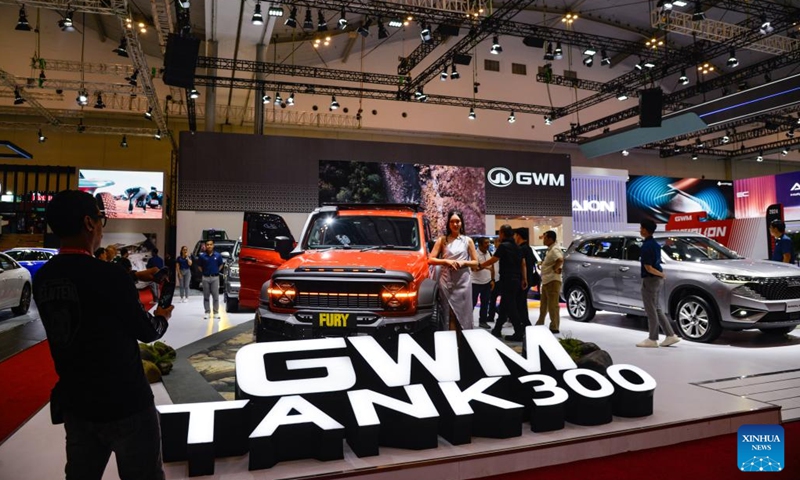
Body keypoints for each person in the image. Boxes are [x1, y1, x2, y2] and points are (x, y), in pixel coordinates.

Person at [32, 190, 172, 480]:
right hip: (127, 404)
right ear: (88, 223)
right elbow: (146, 331)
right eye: (100, 220)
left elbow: (83, 285)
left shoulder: (44, 277)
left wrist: (133, 277)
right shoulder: (110, 276)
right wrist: (161, 317)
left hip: (77, 404)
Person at [428, 210, 480, 331]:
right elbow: (430, 259)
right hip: (447, 281)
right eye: (452, 222)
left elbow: (475, 263)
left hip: (463, 282)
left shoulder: (468, 240)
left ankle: (463, 345)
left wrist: (463, 263)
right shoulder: (442, 240)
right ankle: (451, 344)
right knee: (448, 314)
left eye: (457, 221)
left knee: (463, 315)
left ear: (461, 223)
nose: (455, 224)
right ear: (448, 224)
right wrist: (446, 261)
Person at [480, 224, 527, 342]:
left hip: (507, 280)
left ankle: (519, 331)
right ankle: (497, 329)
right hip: (516, 280)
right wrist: (524, 279)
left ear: (502, 233)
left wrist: (480, 265)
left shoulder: (503, 246)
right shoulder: (518, 247)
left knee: (511, 307)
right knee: (505, 306)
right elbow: (523, 264)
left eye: (499, 233)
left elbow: (493, 259)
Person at [638, 219, 681, 348]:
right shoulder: (656, 244)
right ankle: (670, 335)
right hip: (656, 280)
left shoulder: (646, 246)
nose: (640, 230)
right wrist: (661, 275)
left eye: (641, 227)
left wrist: (661, 274)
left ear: (645, 229)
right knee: (656, 308)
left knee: (651, 310)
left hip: (650, 279)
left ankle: (652, 339)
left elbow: (648, 267)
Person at [535, 230, 564, 334]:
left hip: (553, 280)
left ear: (550, 239)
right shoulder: (550, 250)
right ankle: (540, 323)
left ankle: (554, 326)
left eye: (545, 237)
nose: (544, 239)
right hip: (547, 280)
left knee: (553, 305)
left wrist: (555, 269)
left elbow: (560, 259)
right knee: (544, 305)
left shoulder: (555, 249)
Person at [197, 239, 225, 318]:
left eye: (210, 244)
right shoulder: (202, 256)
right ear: (205, 246)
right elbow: (199, 266)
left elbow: (221, 265)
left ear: (213, 245)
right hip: (205, 278)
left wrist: (216, 271)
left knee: (215, 296)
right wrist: (204, 272)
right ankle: (207, 312)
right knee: (206, 296)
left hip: (215, 278)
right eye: (207, 245)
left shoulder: (217, 255)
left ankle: (216, 312)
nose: (209, 246)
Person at [514, 228, 535, 330]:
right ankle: (525, 323)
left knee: (520, 303)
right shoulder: (529, 248)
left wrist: (524, 279)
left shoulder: (521, 249)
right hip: (528, 279)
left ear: (518, 236)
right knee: (522, 303)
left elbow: (523, 264)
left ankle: (525, 324)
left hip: (523, 280)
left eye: (515, 235)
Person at [471, 237, 494, 329]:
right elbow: (474, 269)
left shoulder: (489, 253)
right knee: (472, 303)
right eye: (486, 243)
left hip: (487, 282)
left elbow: (492, 267)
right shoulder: (475, 254)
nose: (488, 244)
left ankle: (483, 321)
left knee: (485, 303)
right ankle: (468, 321)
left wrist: (492, 280)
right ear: (480, 244)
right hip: (475, 283)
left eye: (488, 243)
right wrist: (485, 267)